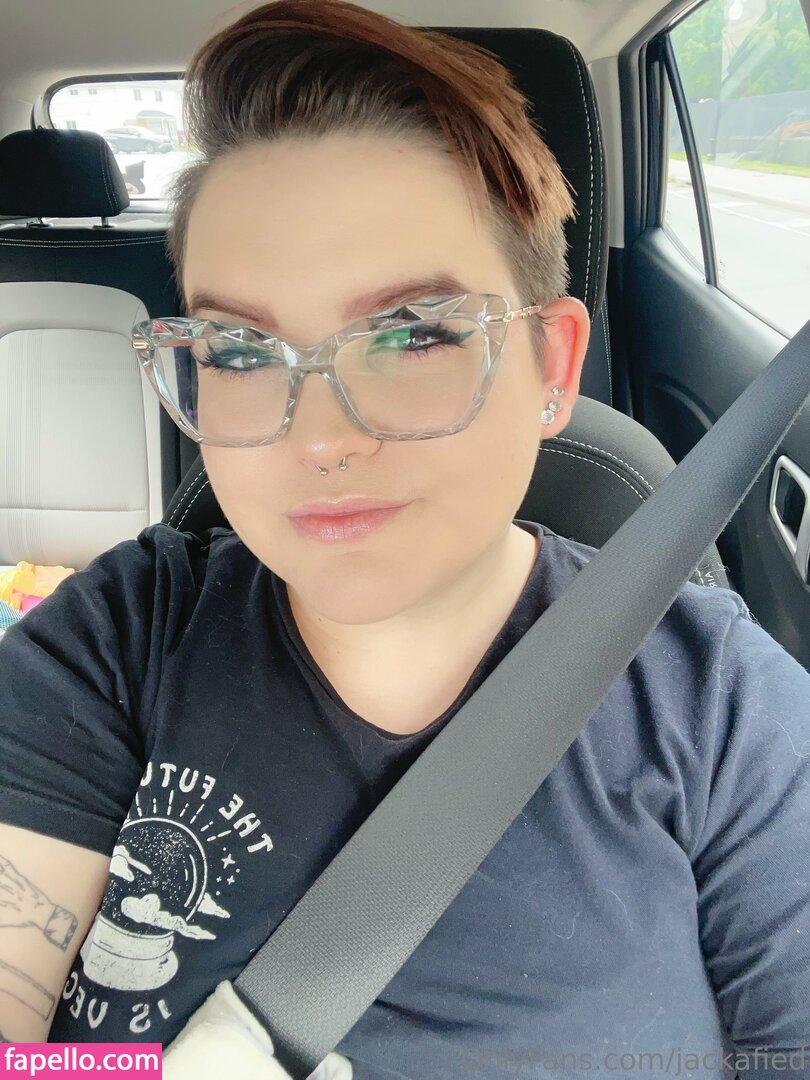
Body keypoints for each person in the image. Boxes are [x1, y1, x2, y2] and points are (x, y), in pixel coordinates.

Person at [0, 2, 808, 1077]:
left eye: (414, 336)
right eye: (238, 351)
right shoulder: (116, 639)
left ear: (554, 366)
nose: (320, 439)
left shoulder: (724, 711)